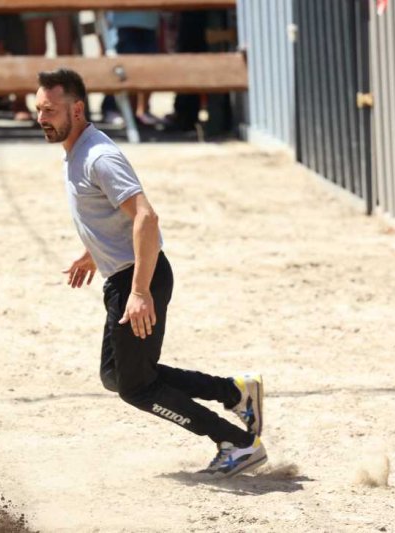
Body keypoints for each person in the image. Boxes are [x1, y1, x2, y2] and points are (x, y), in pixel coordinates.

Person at [34, 68, 267, 478]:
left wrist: (140, 291)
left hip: (139, 279)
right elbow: (112, 217)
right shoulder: (76, 151)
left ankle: (237, 442)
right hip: (122, 279)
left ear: (76, 109)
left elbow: (146, 217)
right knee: (116, 375)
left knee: (137, 388)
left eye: (49, 110)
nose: (41, 119)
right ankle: (234, 391)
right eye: (38, 109)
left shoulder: (97, 157)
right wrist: (92, 253)